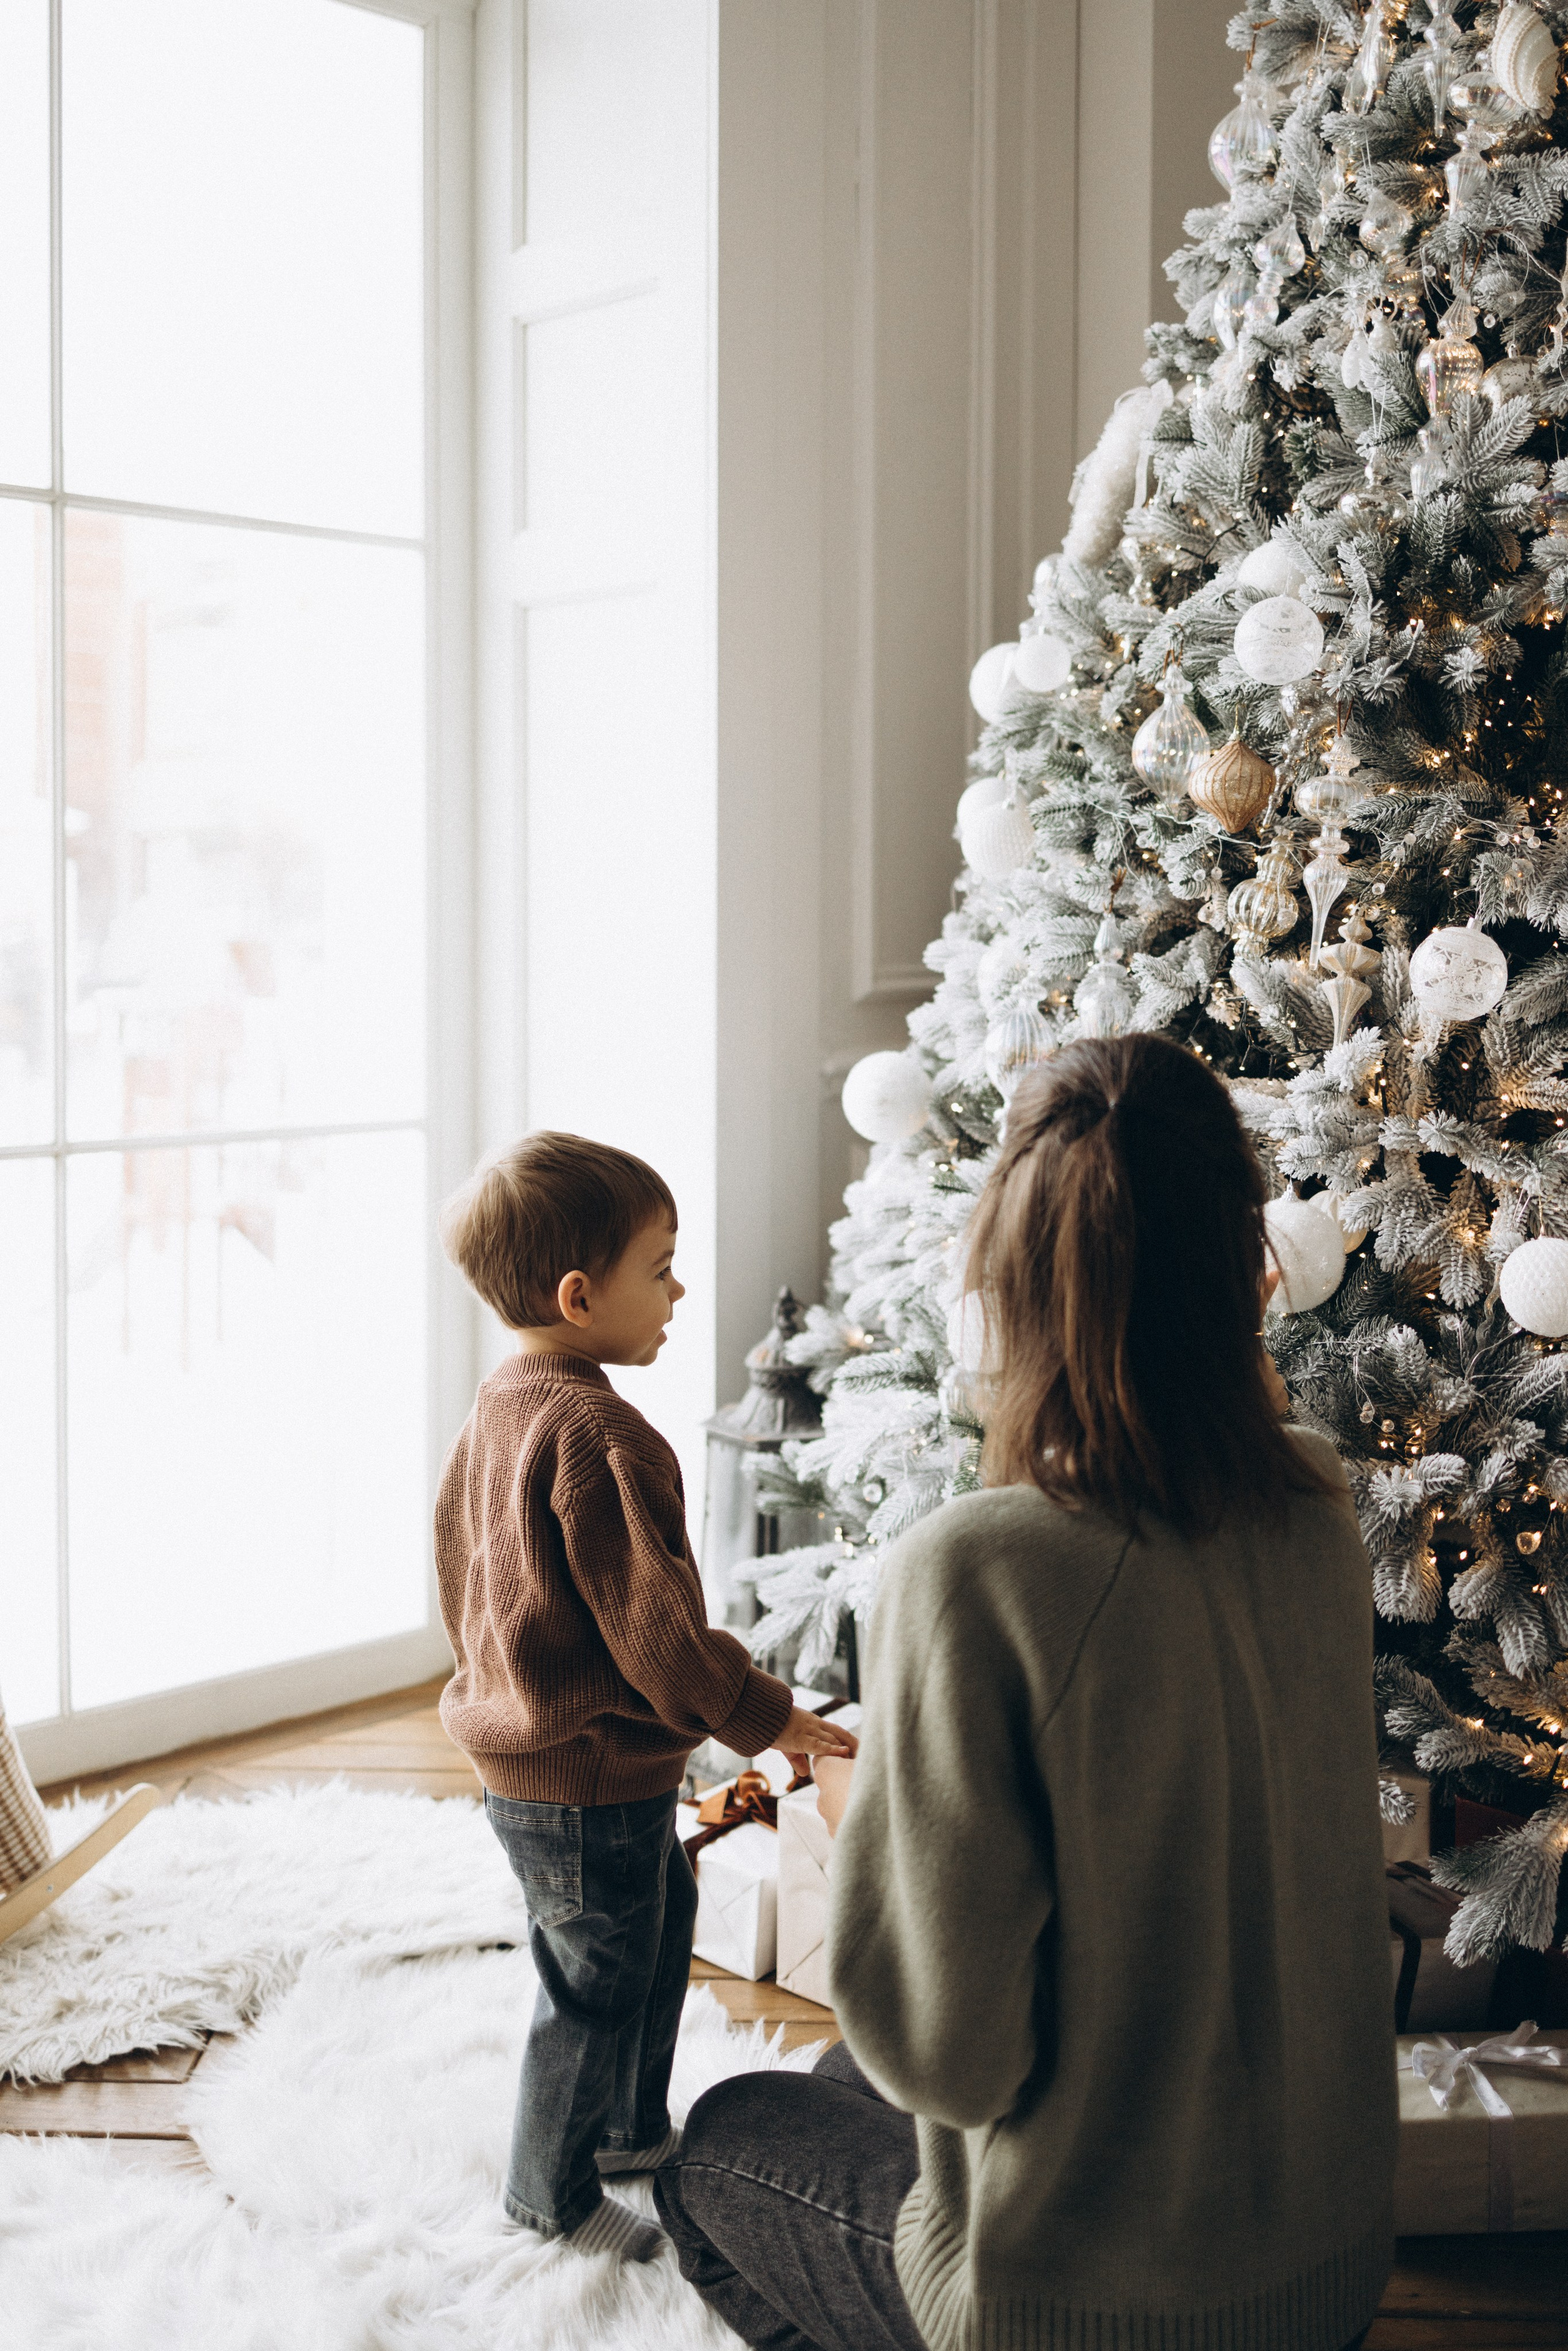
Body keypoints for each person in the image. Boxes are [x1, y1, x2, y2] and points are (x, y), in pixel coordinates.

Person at [656, 1036, 1397, 2351]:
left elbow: (947, 2056)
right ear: (1244, 1257)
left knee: (716, 2145)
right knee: (838, 2080)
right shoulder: (1317, 1498)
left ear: (1012, 1279)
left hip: (1087, 2310)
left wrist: (864, 1812)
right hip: (1325, 2270)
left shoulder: (978, 1567)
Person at [435, 1131, 857, 2263]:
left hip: (534, 1764)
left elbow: (460, 1571)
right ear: (580, 1295)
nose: (678, 1289)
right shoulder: (598, 1434)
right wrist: (768, 1718)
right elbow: (662, 1640)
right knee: (595, 1979)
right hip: (580, 1773)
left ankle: (629, 2126)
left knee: (656, 1924)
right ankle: (550, 2190)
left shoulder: (499, 1406)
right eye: (660, 1267)